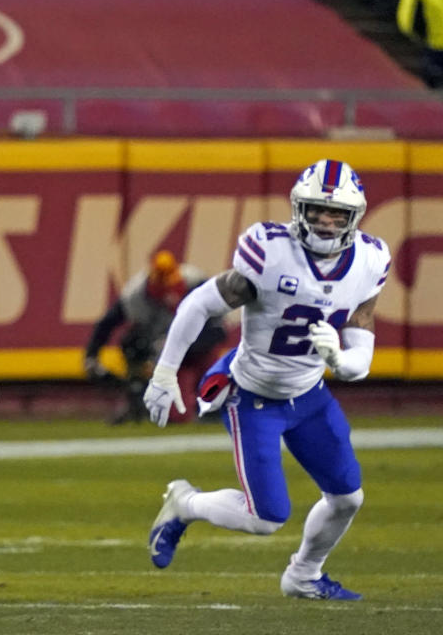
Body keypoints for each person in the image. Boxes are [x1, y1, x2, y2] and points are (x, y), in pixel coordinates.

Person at [143, 160, 390, 601]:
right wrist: (165, 370)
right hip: (254, 395)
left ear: (355, 216)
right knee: (266, 518)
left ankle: (304, 575)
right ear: (299, 209)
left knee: (348, 498)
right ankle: (186, 503)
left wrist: (342, 359)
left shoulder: (370, 260)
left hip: (310, 393)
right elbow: (201, 303)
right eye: (317, 211)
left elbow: (361, 336)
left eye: (337, 214)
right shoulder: (270, 251)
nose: (327, 221)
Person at [84, 250, 225, 424]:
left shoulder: (196, 283)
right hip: (167, 357)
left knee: (213, 371)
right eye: (164, 288)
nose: (170, 295)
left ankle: (214, 404)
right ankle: (139, 398)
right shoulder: (135, 296)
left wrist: (185, 344)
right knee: (174, 415)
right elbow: (107, 323)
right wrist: (92, 354)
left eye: (172, 286)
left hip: (196, 347)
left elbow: (218, 330)